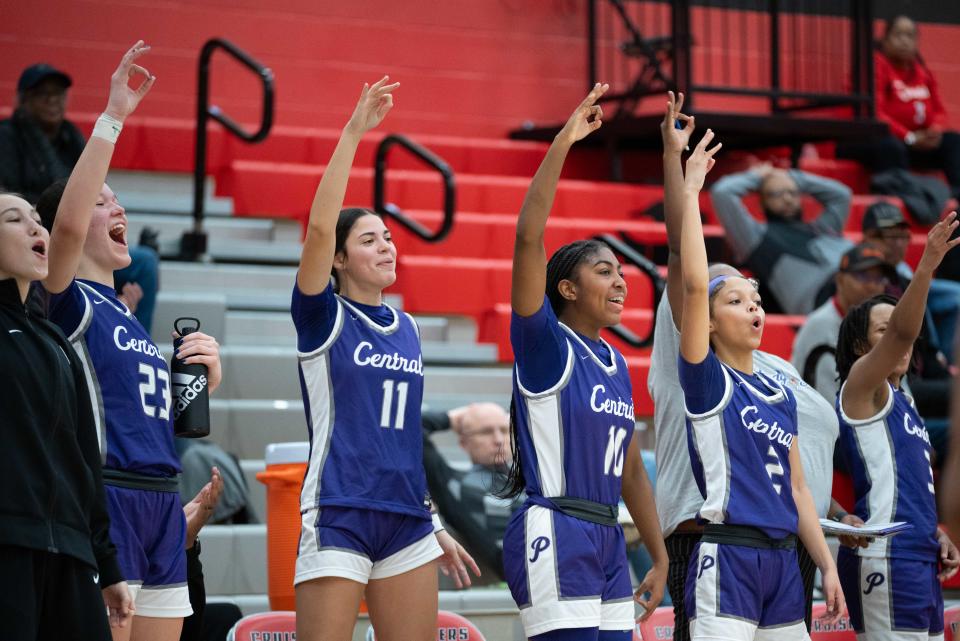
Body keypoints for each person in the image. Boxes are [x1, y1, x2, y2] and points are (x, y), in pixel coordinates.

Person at [651, 93, 858, 641]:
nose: (753, 305)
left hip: (787, 552)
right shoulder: (697, 366)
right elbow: (687, 268)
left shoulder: (775, 378)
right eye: (734, 298)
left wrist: (829, 557)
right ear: (706, 318)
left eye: (755, 297)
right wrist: (684, 176)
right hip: (720, 544)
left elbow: (797, 484)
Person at [42, 42, 223, 641]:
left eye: (116, 197)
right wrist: (114, 114)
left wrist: (203, 382)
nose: (114, 204)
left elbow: (147, 415)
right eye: (100, 199)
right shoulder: (62, 297)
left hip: (161, 503)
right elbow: (66, 225)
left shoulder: (130, 320)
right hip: (107, 497)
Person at [289, 77, 479, 641]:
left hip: (407, 518)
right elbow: (321, 226)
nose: (386, 246)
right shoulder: (322, 317)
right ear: (340, 259)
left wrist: (435, 521)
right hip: (339, 507)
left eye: (389, 237)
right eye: (369, 240)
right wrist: (353, 133)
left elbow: (402, 441)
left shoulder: (411, 329)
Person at [501, 83, 667, 641]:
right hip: (556, 527)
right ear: (567, 288)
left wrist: (659, 553)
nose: (620, 281)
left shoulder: (616, 362)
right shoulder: (547, 345)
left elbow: (632, 468)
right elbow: (528, 237)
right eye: (604, 271)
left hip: (608, 538)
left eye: (622, 271)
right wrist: (564, 143)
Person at [0, 191, 133, 639]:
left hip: (72, 552)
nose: (37, 228)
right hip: (10, 545)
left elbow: (82, 458)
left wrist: (107, 563)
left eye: (38, 219)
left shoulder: (55, 340)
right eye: (14, 220)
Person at [833, 214, 960, 640]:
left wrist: (935, 535)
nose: (899, 342)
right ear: (859, 345)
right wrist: (926, 265)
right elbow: (906, 331)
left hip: (918, 557)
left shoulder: (904, 400)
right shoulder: (861, 387)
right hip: (885, 556)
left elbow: (908, 487)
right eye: (883, 333)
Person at [837, 15, 960, 201]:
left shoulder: (922, 72)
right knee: (891, 147)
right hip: (866, 139)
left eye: (910, 36)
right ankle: (896, 200)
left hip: (912, 141)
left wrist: (934, 131)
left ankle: (956, 197)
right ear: (885, 40)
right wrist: (908, 137)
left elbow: (939, 111)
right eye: (898, 35)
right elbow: (874, 113)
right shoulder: (874, 66)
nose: (904, 41)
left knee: (953, 141)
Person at [709, 162, 853, 315]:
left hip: (858, 277)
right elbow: (722, 193)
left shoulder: (822, 227)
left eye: (793, 192)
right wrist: (757, 177)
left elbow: (842, 194)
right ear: (762, 202)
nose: (787, 199)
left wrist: (791, 177)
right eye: (776, 194)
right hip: (822, 302)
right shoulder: (755, 239)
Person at [422, 403, 522, 581]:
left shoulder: (533, 478)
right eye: (486, 432)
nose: (499, 439)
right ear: (463, 443)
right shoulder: (453, 485)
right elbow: (412, 429)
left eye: (504, 430)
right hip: (526, 569)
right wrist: (450, 419)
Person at [791, 242, 893, 403]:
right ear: (840, 280)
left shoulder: (879, 326)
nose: (873, 285)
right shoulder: (819, 326)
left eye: (879, 278)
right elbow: (830, 404)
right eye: (863, 276)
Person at [0, 63, 86, 203]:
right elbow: (8, 196)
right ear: (23, 99)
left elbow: (92, 185)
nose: (52, 100)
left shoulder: (72, 137)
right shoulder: (6, 136)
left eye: (58, 92)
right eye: (42, 93)